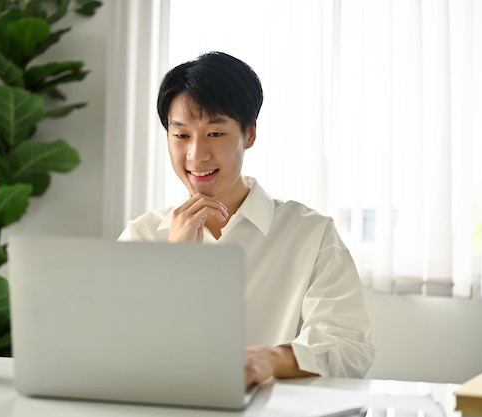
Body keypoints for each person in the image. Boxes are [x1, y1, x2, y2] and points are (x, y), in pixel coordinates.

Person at [118, 51, 375, 387]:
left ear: (249, 134)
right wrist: (175, 263)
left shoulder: (310, 234)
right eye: (181, 136)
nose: (196, 154)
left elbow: (349, 347)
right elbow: (118, 349)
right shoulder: (142, 235)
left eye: (214, 134)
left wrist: (271, 360)